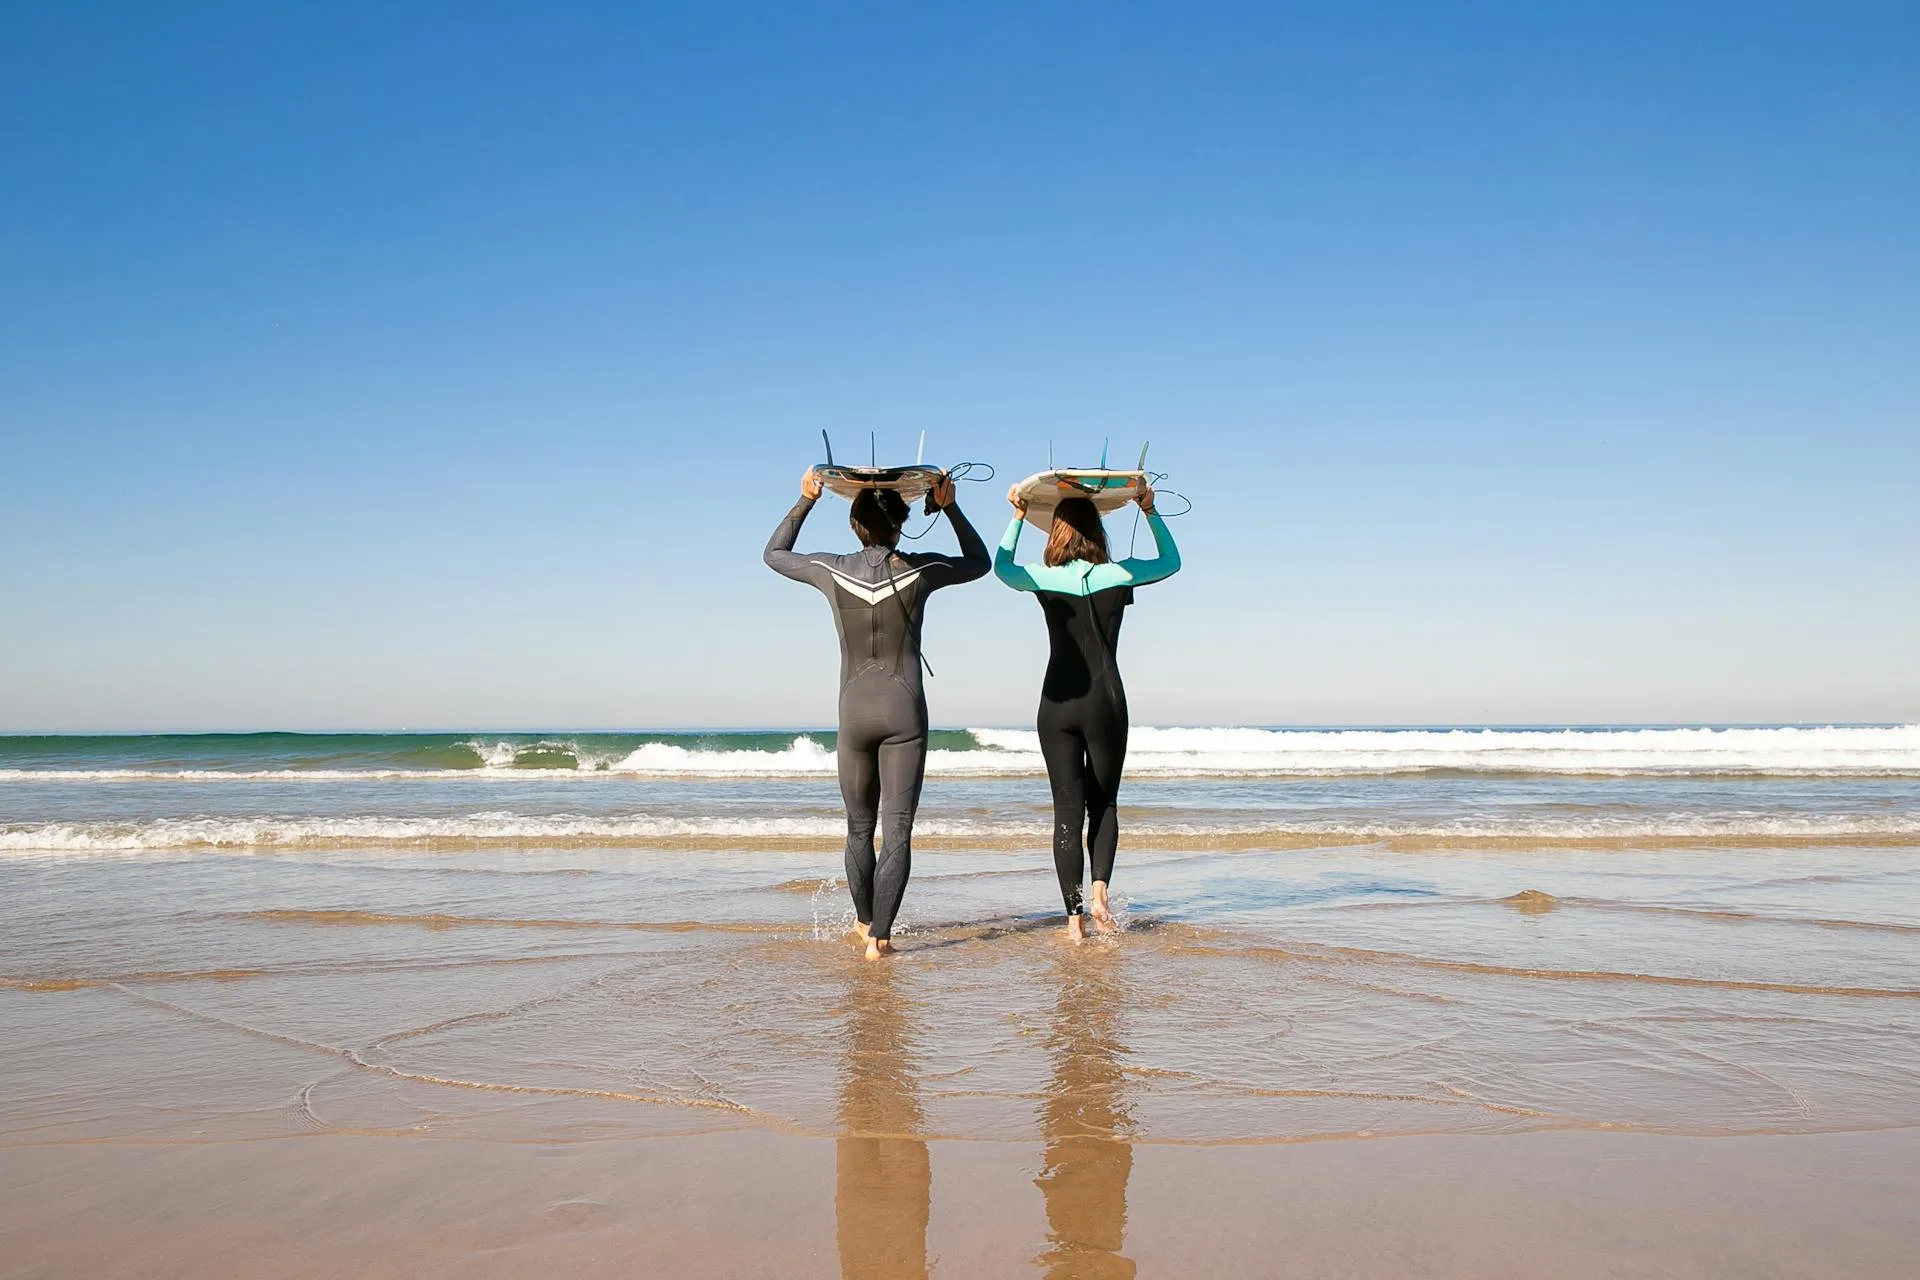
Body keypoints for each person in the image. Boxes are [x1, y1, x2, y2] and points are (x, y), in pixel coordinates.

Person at [766, 469, 989, 959]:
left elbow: (774, 554)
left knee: (859, 830)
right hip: (904, 711)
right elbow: (979, 561)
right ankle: (879, 941)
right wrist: (949, 505)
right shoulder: (920, 569)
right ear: (903, 522)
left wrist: (804, 499)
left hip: (853, 713)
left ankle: (863, 921)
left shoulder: (829, 569)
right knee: (899, 829)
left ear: (854, 524)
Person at [994, 487, 1180, 941]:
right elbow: (1171, 562)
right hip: (1106, 702)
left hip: (1056, 705)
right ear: (1098, 532)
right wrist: (1150, 510)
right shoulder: (1120, 573)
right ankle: (1099, 896)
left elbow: (1002, 568)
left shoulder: (1042, 578)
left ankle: (1074, 922)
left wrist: (1018, 517)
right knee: (1105, 804)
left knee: (1066, 813)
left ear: (1055, 531)